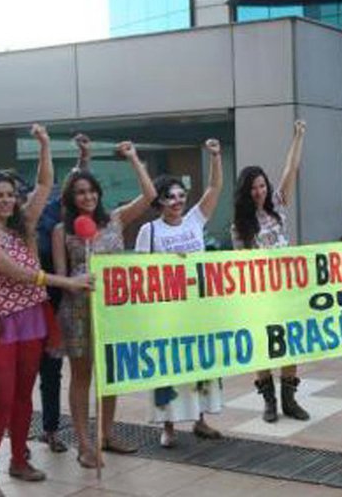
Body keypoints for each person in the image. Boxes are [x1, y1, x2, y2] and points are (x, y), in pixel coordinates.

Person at [0, 125, 92, 497]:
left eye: (11, 195)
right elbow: (16, 272)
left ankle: (19, 459)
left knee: (22, 397)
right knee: (0, 401)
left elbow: (46, 185)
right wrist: (67, 282)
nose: (7, 201)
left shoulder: (24, 227)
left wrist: (45, 145)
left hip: (31, 320)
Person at [51, 140, 156, 467]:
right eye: (80, 192)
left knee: (113, 373)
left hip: (115, 306)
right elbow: (61, 276)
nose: (88, 197)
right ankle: (84, 443)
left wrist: (134, 157)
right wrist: (78, 283)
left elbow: (150, 196)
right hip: (80, 310)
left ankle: (107, 434)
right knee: (82, 377)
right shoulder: (61, 230)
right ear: (72, 197)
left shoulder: (116, 219)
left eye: (92, 191)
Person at [135, 138, 224, 447]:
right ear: (158, 201)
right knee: (167, 368)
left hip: (197, 309)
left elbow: (214, 189)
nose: (176, 201)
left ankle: (201, 420)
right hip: (166, 312)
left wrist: (215, 157)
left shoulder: (195, 221)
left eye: (180, 196)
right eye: (169, 197)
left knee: (201, 364)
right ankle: (168, 426)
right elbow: (140, 273)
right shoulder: (151, 231)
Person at [231, 120, 310, 422]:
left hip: (288, 287)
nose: (259, 191)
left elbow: (291, 169)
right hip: (260, 291)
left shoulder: (277, 204)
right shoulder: (239, 225)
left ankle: (290, 399)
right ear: (245, 191)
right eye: (253, 188)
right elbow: (240, 264)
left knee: (291, 342)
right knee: (263, 344)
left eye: (262, 185)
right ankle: (269, 401)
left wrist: (298, 136)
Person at [34, 133, 92, 454]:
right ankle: (44, 429)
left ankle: (52, 429)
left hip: (65, 298)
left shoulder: (57, 209)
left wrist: (83, 156)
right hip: (38, 302)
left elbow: (76, 183)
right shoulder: (28, 218)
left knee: (56, 370)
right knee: (42, 369)